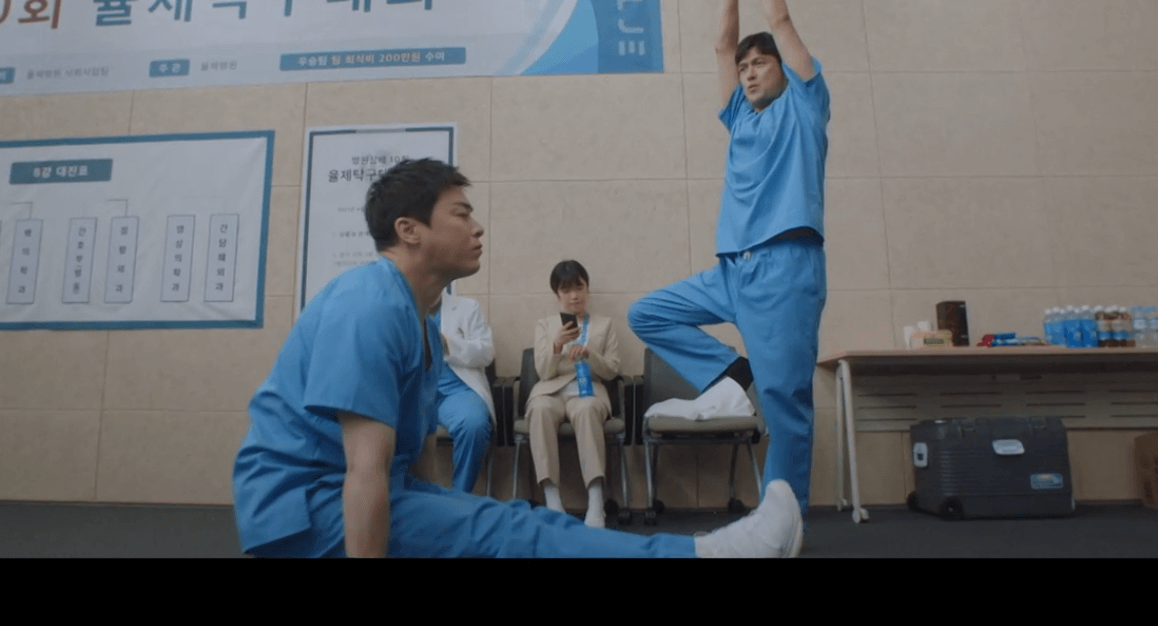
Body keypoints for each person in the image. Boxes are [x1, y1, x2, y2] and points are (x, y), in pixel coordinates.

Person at [231, 157, 804, 557]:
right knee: (506, 533)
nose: (477, 227)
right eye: (460, 214)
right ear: (409, 230)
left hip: (363, 490)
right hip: (307, 506)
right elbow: (364, 472)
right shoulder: (368, 307)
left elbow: (416, 463)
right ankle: (706, 556)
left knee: (504, 522)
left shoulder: (421, 322)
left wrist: (447, 519)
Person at [628, 0, 830, 535]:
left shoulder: (806, 105)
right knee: (647, 313)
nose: (749, 72)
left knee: (784, 403)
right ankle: (732, 374)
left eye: (760, 62)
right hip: (731, 272)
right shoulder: (740, 116)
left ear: (784, 68)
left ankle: (782, 523)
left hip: (786, 269)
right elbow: (722, 43)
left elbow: (781, 21)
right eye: (744, 67)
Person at [526, 260, 619, 528]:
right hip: (551, 390)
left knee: (587, 410)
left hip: (588, 390)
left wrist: (590, 355)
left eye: (579, 288)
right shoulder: (545, 325)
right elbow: (543, 373)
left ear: (587, 289)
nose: (574, 296)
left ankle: (596, 501)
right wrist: (556, 346)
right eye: (566, 290)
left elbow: (612, 370)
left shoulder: (604, 325)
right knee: (540, 410)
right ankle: (552, 499)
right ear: (557, 294)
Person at [428, 289, 497, 493]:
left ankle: (460, 496)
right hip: (415, 394)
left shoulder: (467, 308)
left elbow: (486, 353)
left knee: (473, 424)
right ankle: (404, 499)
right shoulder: (399, 310)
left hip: (457, 392)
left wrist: (448, 344)